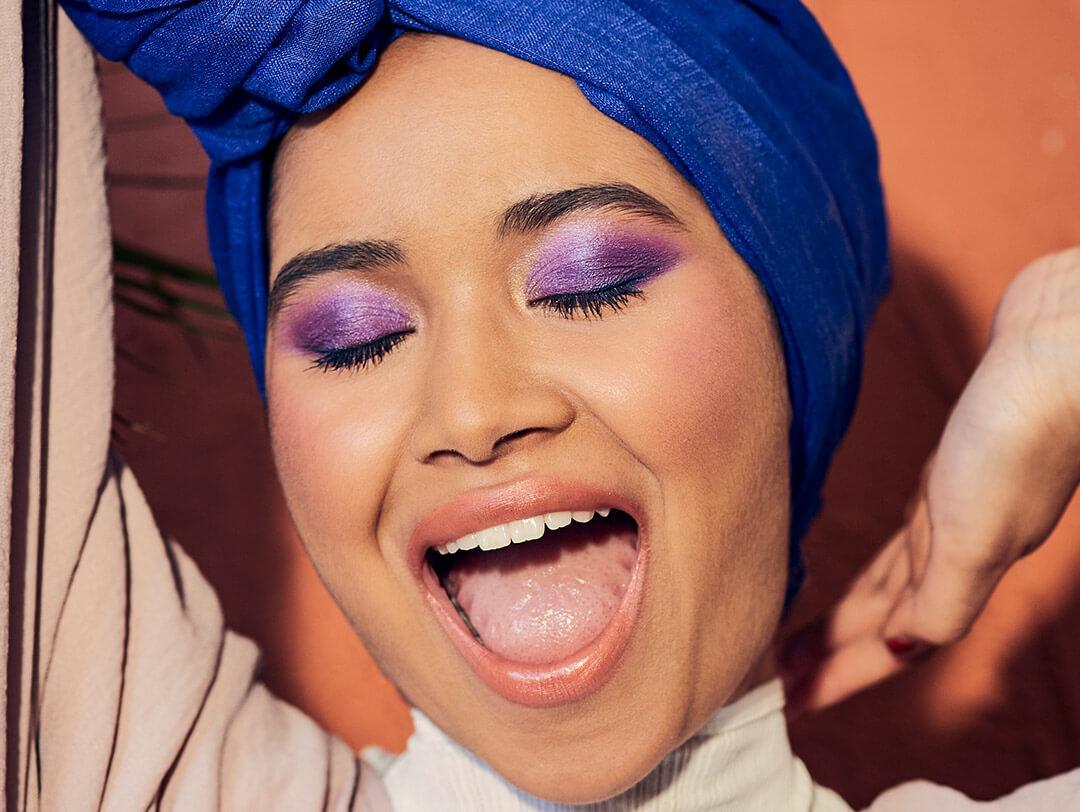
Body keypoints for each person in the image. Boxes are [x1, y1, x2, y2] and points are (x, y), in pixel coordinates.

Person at [5, 1, 1078, 808]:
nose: (472, 410)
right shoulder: (147, 775)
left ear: (798, 340)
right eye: (355, 337)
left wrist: (1054, 358)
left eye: (587, 280)